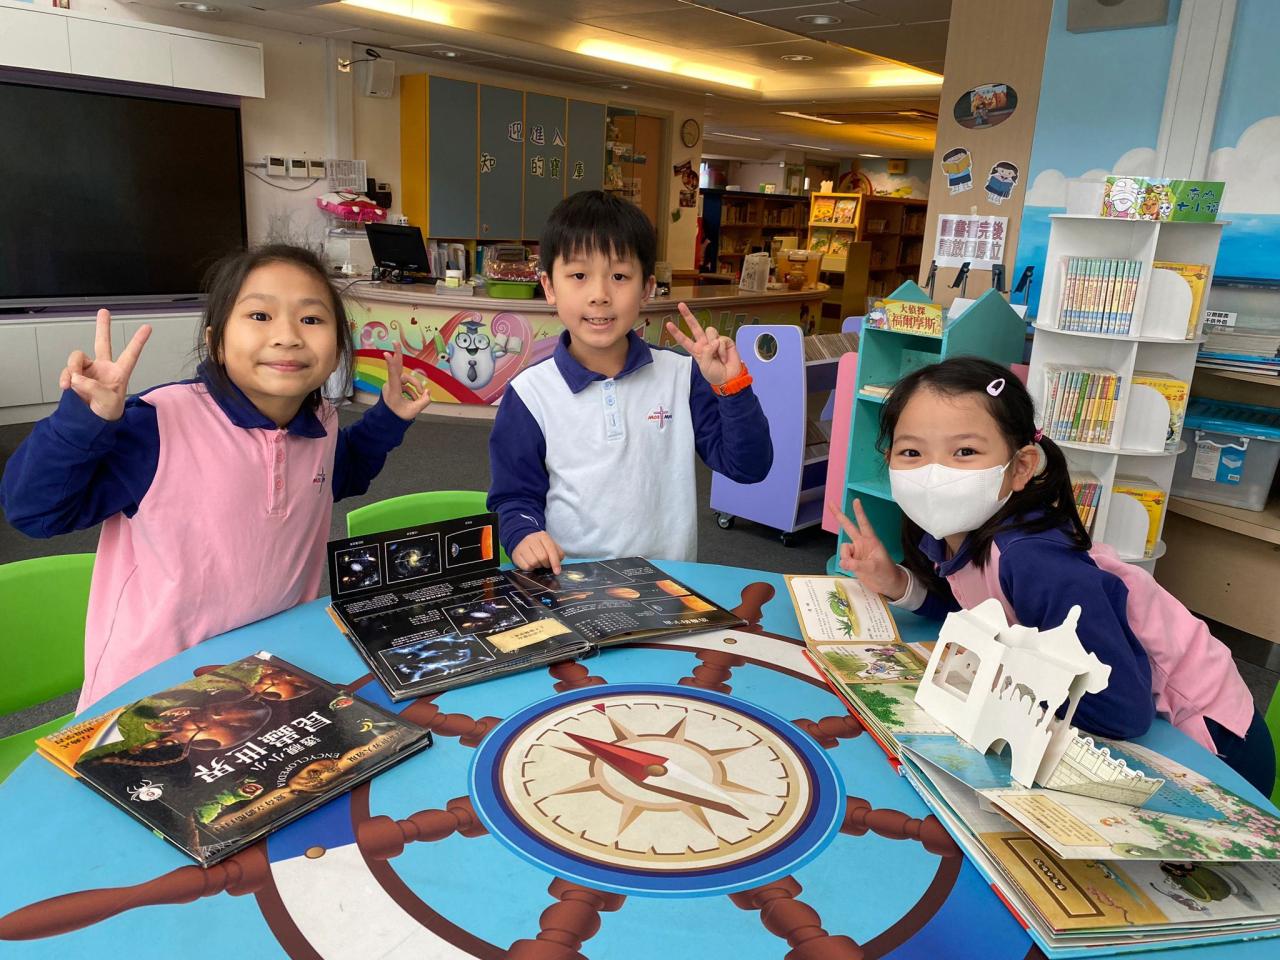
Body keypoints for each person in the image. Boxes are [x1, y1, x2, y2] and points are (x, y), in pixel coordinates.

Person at [1, 244, 433, 710]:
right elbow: (35, 512)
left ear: (338, 352)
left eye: (311, 319)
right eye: (260, 316)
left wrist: (388, 418)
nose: (287, 336)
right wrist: (82, 423)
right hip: (150, 692)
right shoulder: (155, 424)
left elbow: (338, 475)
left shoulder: (321, 421)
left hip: (270, 674)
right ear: (217, 342)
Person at [830, 357, 1273, 795]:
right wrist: (897, 583)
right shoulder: (954, 532)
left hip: (1206, 738)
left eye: (964, 452)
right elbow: (974, 611)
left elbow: (1123, 710)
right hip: (1132, 717)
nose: (933, 474)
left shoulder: (1032, 558)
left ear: (1021, 466)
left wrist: (1000, 676)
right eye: (912, 452)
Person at [487, 190, 772, 571]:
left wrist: (731, 389)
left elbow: (749, 467)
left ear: (647, 289)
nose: (599, 295)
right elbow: (513, 497)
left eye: (619, 276)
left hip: (669, 583)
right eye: (579, 275)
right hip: (571, 584)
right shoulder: (530, 394)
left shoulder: (681, 376)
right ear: (550, 287)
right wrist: (523, 534)